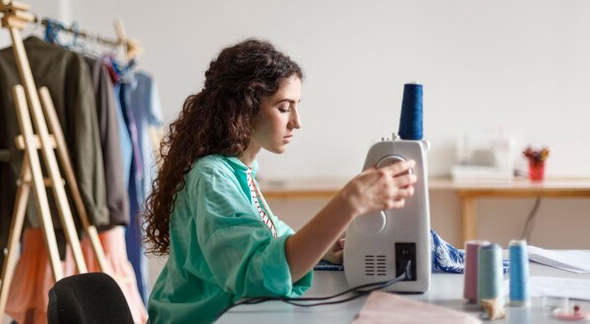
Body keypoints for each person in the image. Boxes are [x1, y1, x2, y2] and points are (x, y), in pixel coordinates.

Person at [143, 38, 417, 324]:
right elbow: (258, 272)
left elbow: (273, 237)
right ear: (244, 107)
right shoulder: (211, 176)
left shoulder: (238, 172)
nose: (297, 122)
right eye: (284, 108)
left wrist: (325, 246)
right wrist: (349, 202)